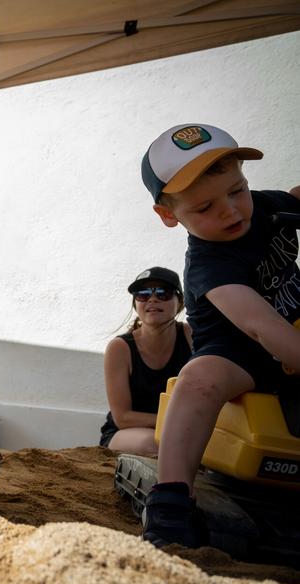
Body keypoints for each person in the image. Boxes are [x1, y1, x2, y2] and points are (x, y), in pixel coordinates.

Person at [138, 123, 300, 547]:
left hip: (293, 330)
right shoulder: (209, 265)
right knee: (199, 380)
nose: (230, 210)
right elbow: (259, 326)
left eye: (237, 190)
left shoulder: (262, 207)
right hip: (240, 355)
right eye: (205, 207)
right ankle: (172, 498)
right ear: (170, 215)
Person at [100, 266, 192, 456]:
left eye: (163, 293)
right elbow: (122, 418)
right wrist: (175, 422)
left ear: (180, 302)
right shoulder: (119, 348)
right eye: (142, 294)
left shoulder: (191, 336)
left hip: (182, 429)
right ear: (136, 304)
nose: (152, 299)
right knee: (157, 443)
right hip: (125, 433)